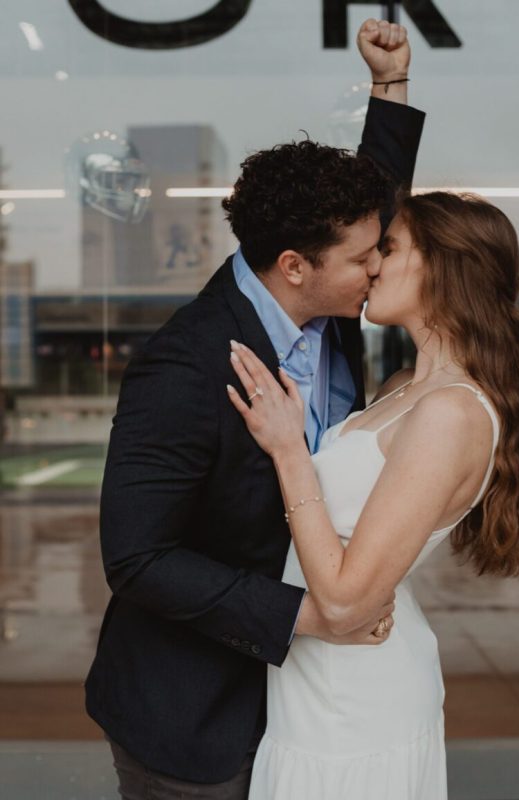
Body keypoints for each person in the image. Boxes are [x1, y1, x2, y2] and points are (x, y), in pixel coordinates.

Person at [85, 18, 426, 800]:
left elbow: (370, 205)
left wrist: (391, 86)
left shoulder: (327, 298)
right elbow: (136, 559)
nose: (382, 266)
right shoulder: (182, 366)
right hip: (194, 716)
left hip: (308, 706)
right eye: (366, 258)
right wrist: (312, 615)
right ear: (296, 266)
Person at [227, 190, 519, 799]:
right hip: (317, 679)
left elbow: (348, 603)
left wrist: (289, 451)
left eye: (390, 247)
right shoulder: (407, 387)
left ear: (441, 267)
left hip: (357, 697)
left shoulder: (452, 413)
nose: (372, 264)